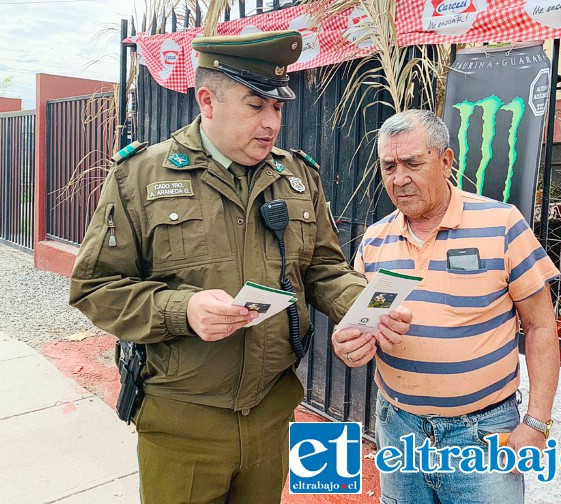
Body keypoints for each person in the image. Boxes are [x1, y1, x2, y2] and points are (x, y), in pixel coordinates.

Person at [69, 31, 411, 504]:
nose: (272, 122)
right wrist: (182, 309)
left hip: (272, 412)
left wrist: (364, 306)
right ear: (207, 101)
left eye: (278, 108)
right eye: (256, 105)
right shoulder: (141, 177)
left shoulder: (297, 177)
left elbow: (323, 268)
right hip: (183, 421)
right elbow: (94, 287)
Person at [331, 110, 560, 503]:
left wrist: (536, 424)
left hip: (484, 434)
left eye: (412, 163)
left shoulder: (502, 223)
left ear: (447, 161)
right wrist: (349, 346)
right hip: (398, 428)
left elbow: (540, 326)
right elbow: (360, 327)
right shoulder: (373, 241)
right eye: (389, 166)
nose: (399, 178)